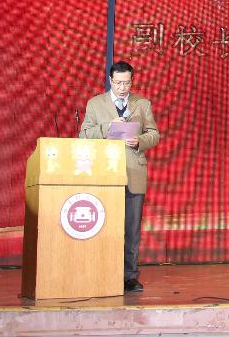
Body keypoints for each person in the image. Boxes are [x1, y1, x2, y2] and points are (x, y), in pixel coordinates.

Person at [79, 60, 159, 293]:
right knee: (104, 226)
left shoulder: (141, 104)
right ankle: (102, 274)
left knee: (131, 230)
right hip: (105, 173)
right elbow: (84, 134)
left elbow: (154, 134)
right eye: (118, 83)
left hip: (133, 172)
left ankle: (130, 276)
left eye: (126, 83)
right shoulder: (96, 104)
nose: (122, 88)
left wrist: (139, 140)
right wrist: (108, 127)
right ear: (110, 81)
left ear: (132, 81)